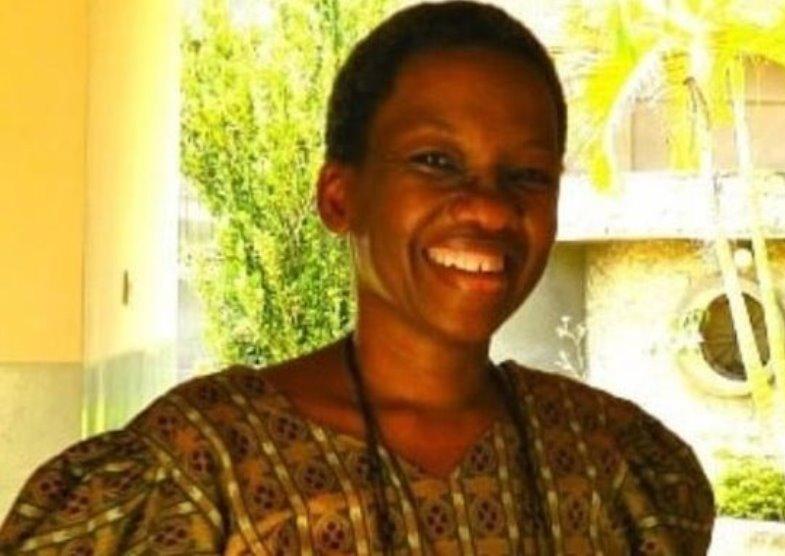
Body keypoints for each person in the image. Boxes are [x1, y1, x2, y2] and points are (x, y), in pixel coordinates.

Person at [0, 2, 715, 554]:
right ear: (340, 198)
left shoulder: (612, 462)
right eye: (436, 162)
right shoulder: (202, 467)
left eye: (527, 174)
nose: (490, 207)